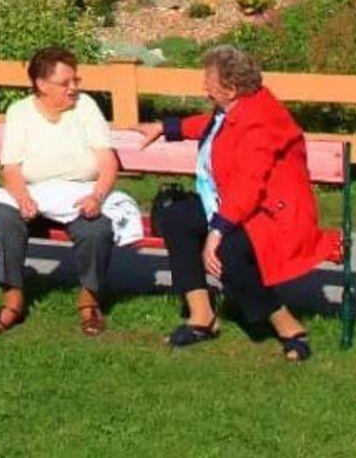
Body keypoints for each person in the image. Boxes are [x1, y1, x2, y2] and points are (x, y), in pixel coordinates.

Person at [127, 44, 341, 363]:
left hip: (275, 215)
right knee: (177, 218)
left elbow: (248, 186)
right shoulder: (238, 109)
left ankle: (286, 324)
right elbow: (212, 125)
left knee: (226, 253)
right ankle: (202, 317)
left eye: (209, 82)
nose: (204, 88)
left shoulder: (260, 120)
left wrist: (215, 234)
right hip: (241, 204)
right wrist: (165, 128)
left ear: (230, 87)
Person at [0, 45, 136, 338]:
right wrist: (23, 198)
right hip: (35, 193)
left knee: (96, 228)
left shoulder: (86, 106)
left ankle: (89, 299)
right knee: (3, 215)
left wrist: (97, 196)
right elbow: (11, 167)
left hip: (80, 192)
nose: (73, 88)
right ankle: (12, 299)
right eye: (65, 82)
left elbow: (108, 162)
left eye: (75, 80)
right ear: (42, 84)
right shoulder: (19, 112)